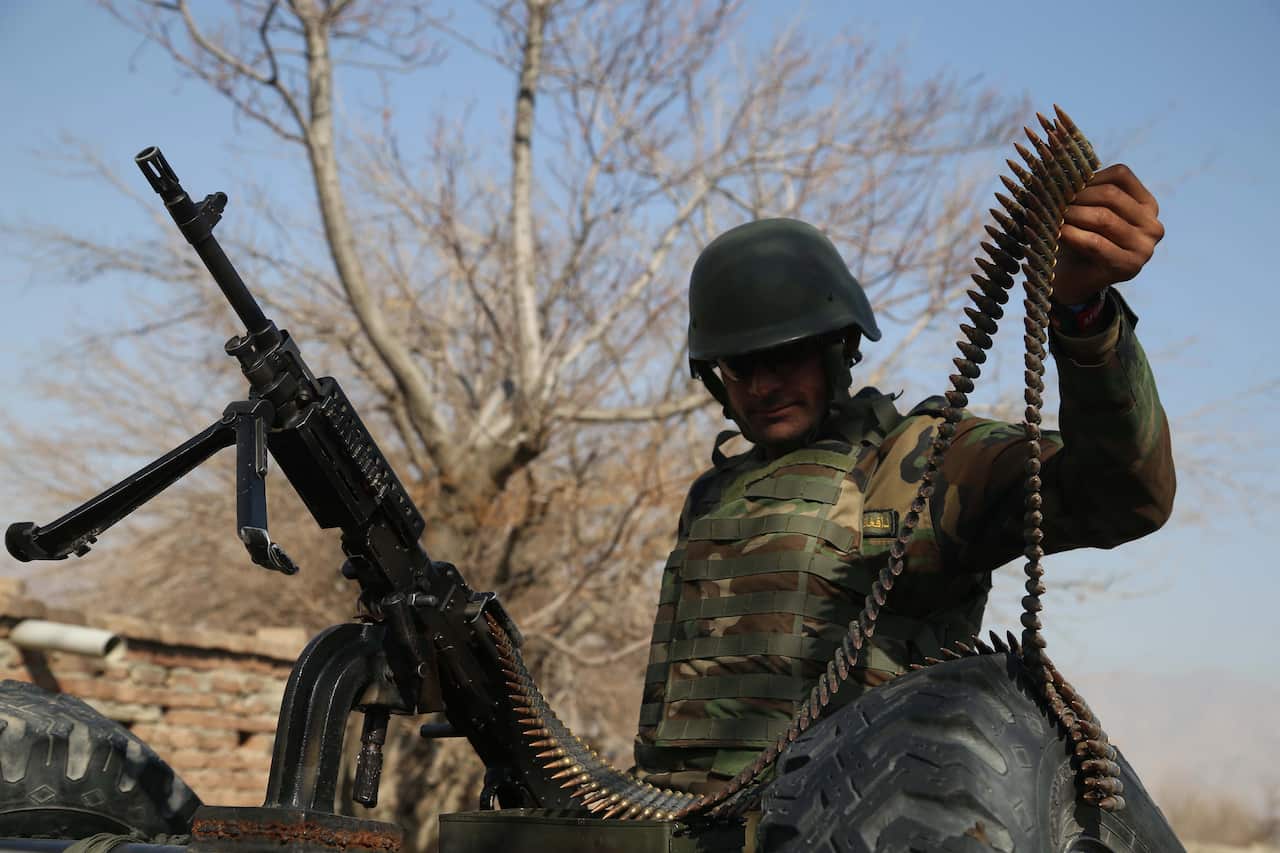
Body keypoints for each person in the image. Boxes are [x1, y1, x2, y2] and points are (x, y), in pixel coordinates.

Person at [633, 164, 1174, 794]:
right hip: (670, 819)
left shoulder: (918, 461)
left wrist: (1083, 315)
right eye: (738, 366)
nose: (762, 385)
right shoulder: (714, 494)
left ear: (839, 347)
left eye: (784, 356)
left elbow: (1123, 492)